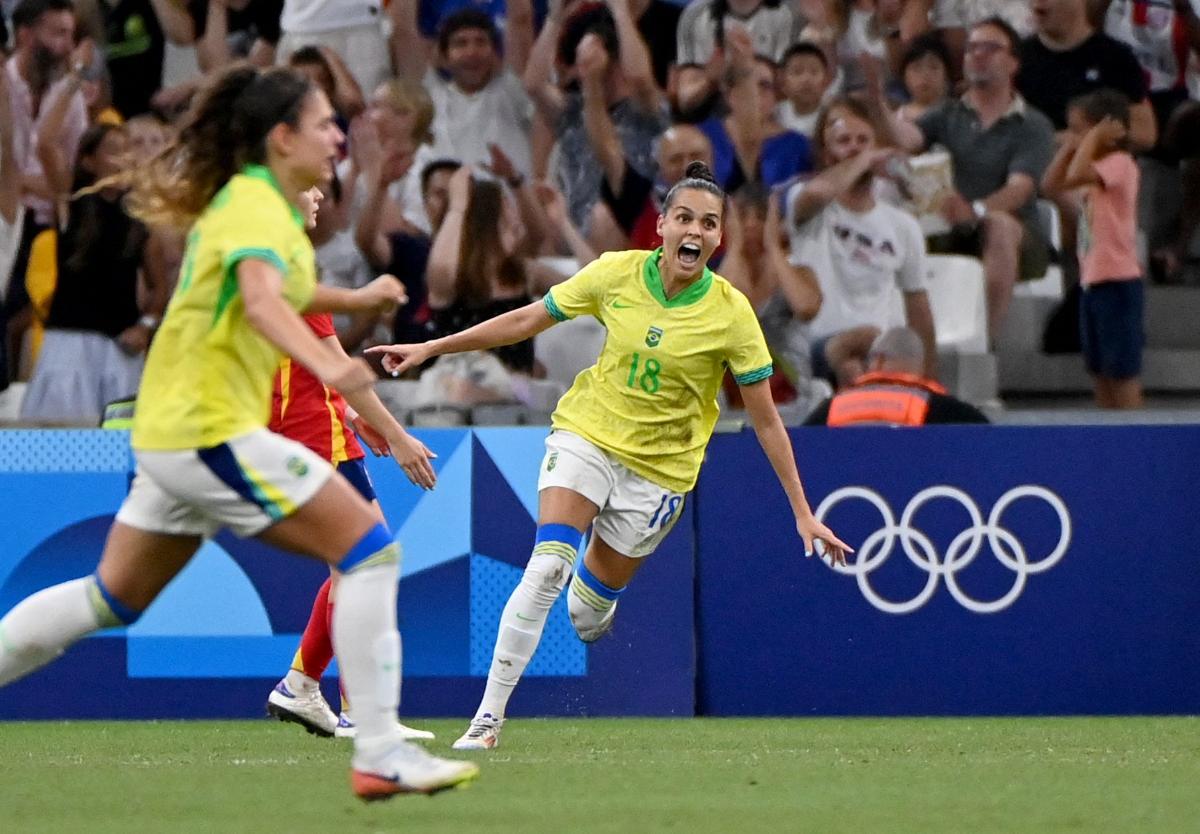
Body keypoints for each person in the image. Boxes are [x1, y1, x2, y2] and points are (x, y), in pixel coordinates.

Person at [0, 64, 478, 799]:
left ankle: (363, 732)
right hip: (206, 429)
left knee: (111, 598)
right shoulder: (256, 206)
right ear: (281, 137)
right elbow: (263, 302)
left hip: (175, 431)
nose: (337, 135)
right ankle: (380, 749)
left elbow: (284, 288)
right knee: (370, 553)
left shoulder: (260, 207)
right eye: (323, 123)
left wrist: (355, 296)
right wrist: (341, 372)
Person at [368, 161, 851, 751]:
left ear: (719, 238)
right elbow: (526, 319)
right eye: (682, 218)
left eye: (707, 222)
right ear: (662, 228)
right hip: (588, 434)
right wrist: (432, 346)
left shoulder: (732, 313)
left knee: (587, 618)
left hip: (660, 473)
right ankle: (487, 720)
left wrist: (802, 511)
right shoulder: (615, 274)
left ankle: (594, 597)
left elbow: (767, 418)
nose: (693, 231)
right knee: (546, 565)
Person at [265, 186, 436, 741]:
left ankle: (304, 686)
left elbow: (309, 361)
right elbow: (335, 363)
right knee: (368, 560)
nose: (318, 195)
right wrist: (398, 434)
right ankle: (355, 707)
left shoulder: (272, 250)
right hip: (313, 436)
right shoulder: (281, 256)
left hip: (315, 427)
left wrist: (348, 411)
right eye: (312, 183)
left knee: (357, 563)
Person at [885, 17, 1056, 337]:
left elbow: (1020, 188)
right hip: (952, 225)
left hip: (1018, 235)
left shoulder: (1032, 125)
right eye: (972, 48)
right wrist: (875, 101)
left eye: (990, 48)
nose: (978, 55)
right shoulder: (947, 113)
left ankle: (984, 343)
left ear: (1013, 63)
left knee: (1000, 224)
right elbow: (906, 140)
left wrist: (976, 209)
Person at [787, 98, 937, 388]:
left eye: (863, 141)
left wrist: (929, 377)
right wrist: (866, 158)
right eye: (844, 141)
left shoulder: (902, 225)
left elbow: (918, 304)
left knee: (878, 350)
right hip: (820, 348)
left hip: (880, 352)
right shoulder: (806, 204)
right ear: (827, 154)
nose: (854, 148)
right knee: (854, 347)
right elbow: (819, 192)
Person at [1041, 89, 1144, 409]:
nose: (1073, 137)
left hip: (1118, 280)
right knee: (1099, 367)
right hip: (1092, 280)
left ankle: (1133, 432)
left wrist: (1091, 140)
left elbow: (1075, 174)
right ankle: (1108, 429)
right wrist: (1073, 146)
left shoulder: (1119, 163)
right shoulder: (1094, 172)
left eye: (1079, 129)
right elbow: (1050, 185)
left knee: (1121, 370)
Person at [804, 326, 989, 424]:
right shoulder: (945, 409)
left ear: (877, 361)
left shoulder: (833, 406)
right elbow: (988, 438)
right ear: (920, 366)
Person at [776, 41, 835, 139]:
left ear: (826, 80)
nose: (806, 79)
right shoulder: (776, 114)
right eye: (797, 72)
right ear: (782, 80)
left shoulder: (832, 117)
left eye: (814, 72)